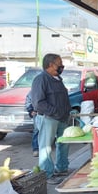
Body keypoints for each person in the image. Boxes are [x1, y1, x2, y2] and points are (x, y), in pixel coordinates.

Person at [31, 53, 72, 185]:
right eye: (59, 63)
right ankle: (47, 174)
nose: (62, 66)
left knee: (63, 144)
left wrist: (67, 111)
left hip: (62, 118)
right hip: (48, 118)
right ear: (50, 65)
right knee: (46, 147)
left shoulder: (58, 79)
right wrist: (55, 112)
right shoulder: (41, 79)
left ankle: (62, 168)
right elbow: (38, 103)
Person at [25, 91, 39, 157]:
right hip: (37, 114)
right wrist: (31, 110)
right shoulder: (33, 91)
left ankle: (45, 148)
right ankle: (35, 149)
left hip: (47, 113)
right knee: (36, 131)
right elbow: (28, 102)